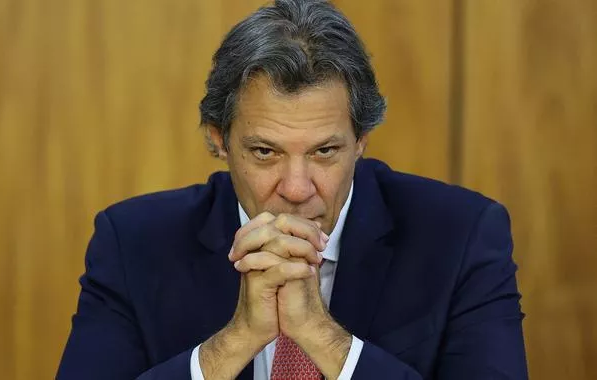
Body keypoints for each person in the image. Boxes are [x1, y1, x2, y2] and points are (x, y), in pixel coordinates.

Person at [57, 0, 528, 378]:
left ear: (361, 140)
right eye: (265, 152)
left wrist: (321, 336)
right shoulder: (134, 241)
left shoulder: (461, 236)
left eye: (325, 151)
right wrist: (235, 341)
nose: (297, 189)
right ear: (218, 140)